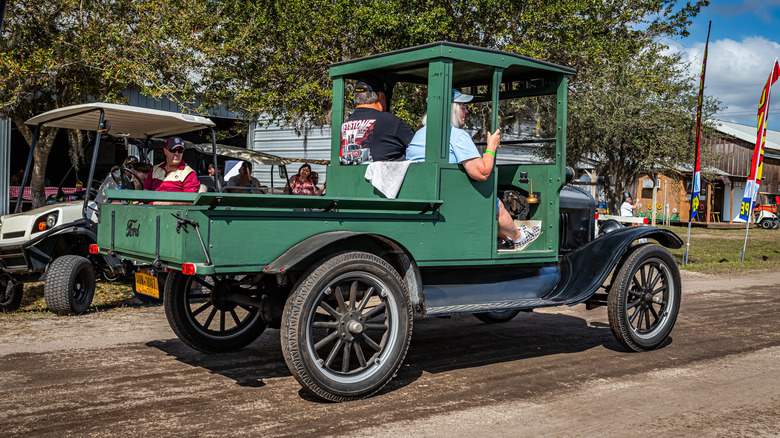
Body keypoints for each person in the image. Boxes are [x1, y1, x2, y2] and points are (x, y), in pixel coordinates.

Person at [407, 89, 540, 250]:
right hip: (452, 201)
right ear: (452, 110)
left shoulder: (419, 134)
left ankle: (508, 236)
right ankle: (520, 238)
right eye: (462, 106)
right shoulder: (456, 135)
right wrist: (491, 147)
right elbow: (482, 173)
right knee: (494, 204)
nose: (466, 111)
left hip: (428, 199)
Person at [340, 76, 415, 162]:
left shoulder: (344, 125)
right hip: (385, 174)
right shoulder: (391, 122)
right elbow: (419, 149)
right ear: (380, 96)